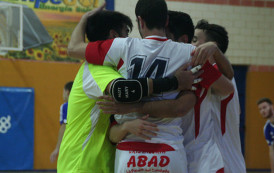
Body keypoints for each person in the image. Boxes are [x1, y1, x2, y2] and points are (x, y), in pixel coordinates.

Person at [75, 0, 233, 171]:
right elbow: (227, 87)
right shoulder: (189, 52)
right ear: (165, 21)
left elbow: (73, 48)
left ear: (140, 21)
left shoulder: (122, 46)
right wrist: (214, 53)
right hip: (169, 148)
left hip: (129, 150)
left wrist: (84, 19)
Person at [58, 7, 200, 173]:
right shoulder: (96, 69)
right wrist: (173, 82)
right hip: (81, 164)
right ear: (113, 37)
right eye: (126, 32)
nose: (130, 39)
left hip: (102, 161)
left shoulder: (115, 70)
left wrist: (126, 127)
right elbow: (123, 90)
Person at [191, 19, 247, 173]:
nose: (190, 44)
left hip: (223, 162)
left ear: (211, 47)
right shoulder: (225, 77)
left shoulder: (215, 74)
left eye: (195, 40)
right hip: (229, 162)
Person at [50, 81, 73, 163]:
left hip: (70, 146)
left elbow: (64, 127)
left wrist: (57, 148)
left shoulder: (66, 106)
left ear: (67, 92)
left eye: (63, 92)